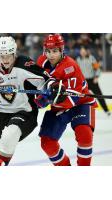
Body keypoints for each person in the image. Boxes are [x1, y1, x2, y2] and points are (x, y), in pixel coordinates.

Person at [0, 36, 62, 165]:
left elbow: (47, 80)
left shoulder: (24, 64)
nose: (5, 60)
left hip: (25, 112)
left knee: (10, 135)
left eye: (8, 56)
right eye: (1, 56)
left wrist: (53, 88)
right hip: (1, 111)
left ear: (14, 54)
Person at [36, 34, 97, 166]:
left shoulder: (70, 66)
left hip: (81, 103)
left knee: (84, 135)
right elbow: (36, 86)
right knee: (47, 143)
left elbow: (72, 99)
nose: (51, 55)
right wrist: (40, 99)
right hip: (59, 107)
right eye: (48, 51)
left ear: (62, 50)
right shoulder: (41, 63)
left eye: (55, 51)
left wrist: (48, 99)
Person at [76, 46, 111, 116]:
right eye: (81, 51)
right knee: (79, 97)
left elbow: (97, 68)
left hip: (92, 81)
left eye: (84, 51)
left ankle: (106, 110)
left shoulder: (91, 58)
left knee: (99, 96)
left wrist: (96, 77)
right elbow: (77, 71)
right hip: (84, 82)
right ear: (80, 52)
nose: (82, 52)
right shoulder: (78, 60)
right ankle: (78, 111)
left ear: (86, 51)